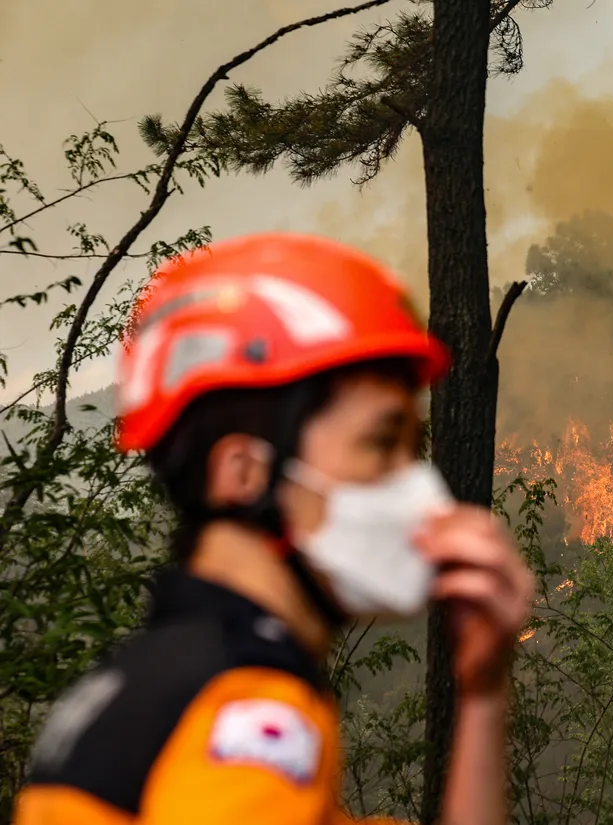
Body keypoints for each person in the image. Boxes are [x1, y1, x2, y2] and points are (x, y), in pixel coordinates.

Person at [13, 232, 533, 825]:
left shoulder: (161, 685)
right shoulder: (247, 715)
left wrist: (484, 694)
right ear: (244, 472)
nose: (420, 491)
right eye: (381, 444)